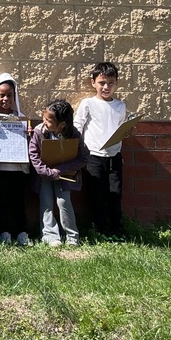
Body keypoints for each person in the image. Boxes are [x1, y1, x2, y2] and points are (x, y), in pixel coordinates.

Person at [73, 61, 128, 238]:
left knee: (115, 193)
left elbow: (121, 130)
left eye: (110, 83)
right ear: (93, 83)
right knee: (97, 194)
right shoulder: (88, 103)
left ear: (116, 83)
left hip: (114, 156)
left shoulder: (120, 106)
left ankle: (116, 229)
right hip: (94, 156)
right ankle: (101, 229)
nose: (106, 87)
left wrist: (128, 132)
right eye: (102, 83)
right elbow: (77, 126)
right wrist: (78, 151)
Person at [29, 99, 89, 246]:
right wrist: (47, 172)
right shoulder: (39, 132)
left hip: (64, 175)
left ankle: (72, 236)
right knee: (46, 202)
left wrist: (60, 170)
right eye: (44, 118)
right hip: (45, 176)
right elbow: (34, 155)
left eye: (48, 120)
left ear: (62, 125)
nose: (44, 122)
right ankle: (50, 236)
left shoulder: (73, 134)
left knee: (63, 202)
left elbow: (84, 157)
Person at [0, 72, 31, 246]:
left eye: (9, 95)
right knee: (0, 202)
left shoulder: (21, 118)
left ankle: (22, 232)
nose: (5, 99)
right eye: (2, 95)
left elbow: (30, 143)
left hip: (17, 169)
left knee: (18, 201)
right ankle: (5, 232)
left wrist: (27, 134)